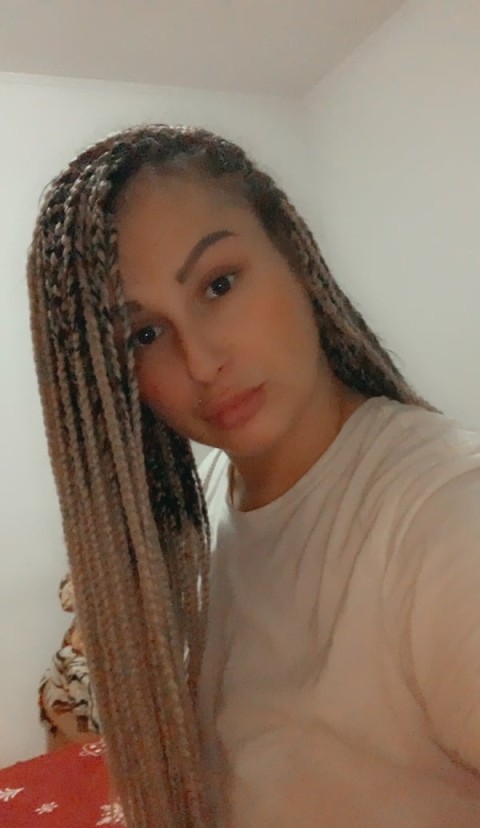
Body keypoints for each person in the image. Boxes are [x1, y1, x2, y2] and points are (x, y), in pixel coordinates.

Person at [27, 124, 480, 828]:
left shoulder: (447, 517)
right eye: (144, 334)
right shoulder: (207, 501)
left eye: (219, 284)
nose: (201, 362)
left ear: (294, 257)